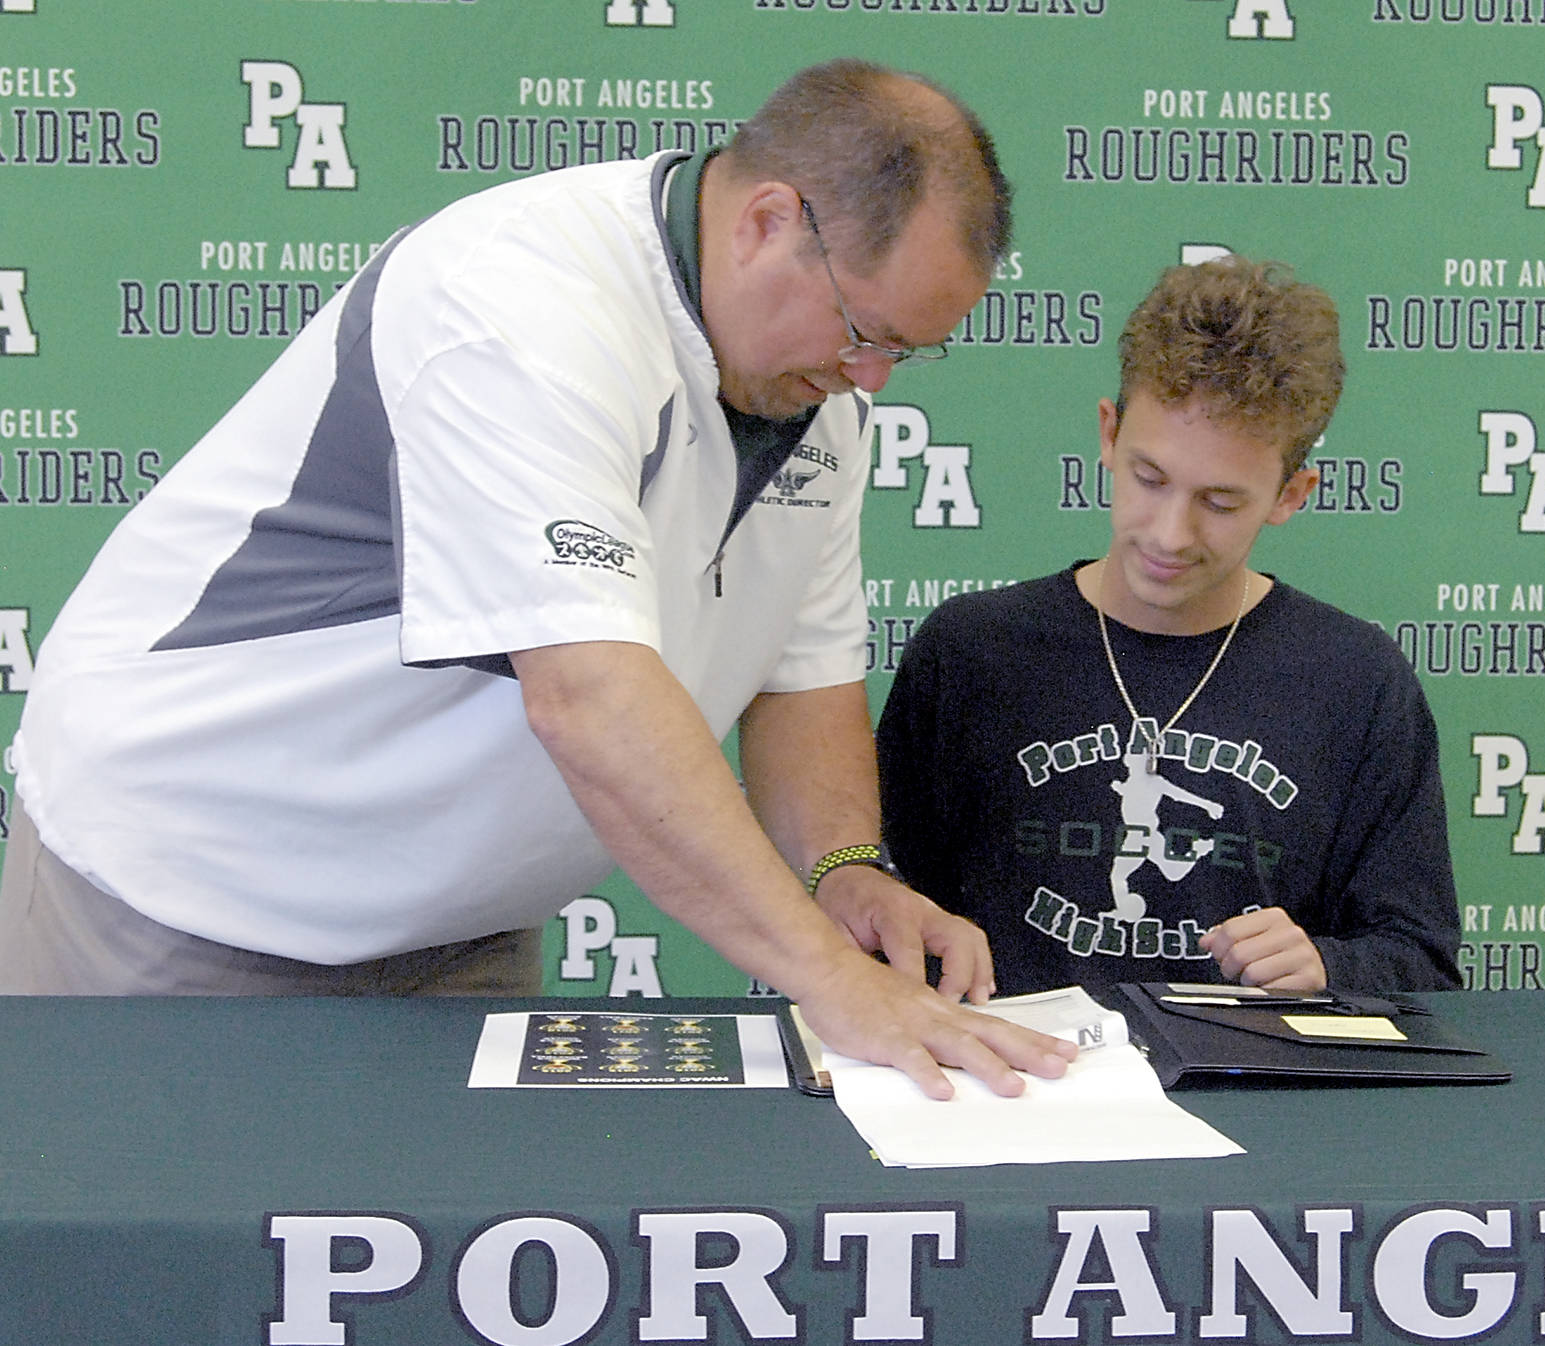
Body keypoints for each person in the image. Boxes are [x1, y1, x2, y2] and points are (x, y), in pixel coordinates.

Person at [0, 59, 1076, 1099]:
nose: (872, 380)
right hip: (197, 893)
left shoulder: (812, 395)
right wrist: (833, 980)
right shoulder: (522, 306)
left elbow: (800, 670)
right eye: (863, 333)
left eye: (905, 352)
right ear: (766, 223)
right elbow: (591, 698)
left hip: (457, 930)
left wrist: (847, 868)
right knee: (162, 1272)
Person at [876, 256, 1462, 996]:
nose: (1170, 533)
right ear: (1109, 434)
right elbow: (878, 911)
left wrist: (1329, 967)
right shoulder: (970, 651)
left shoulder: (1357, 680)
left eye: (1220, 502)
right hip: (1013, 1089)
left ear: (1292, 493)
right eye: (1149, 479)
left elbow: (1424, 964)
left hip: (1256, 1098)